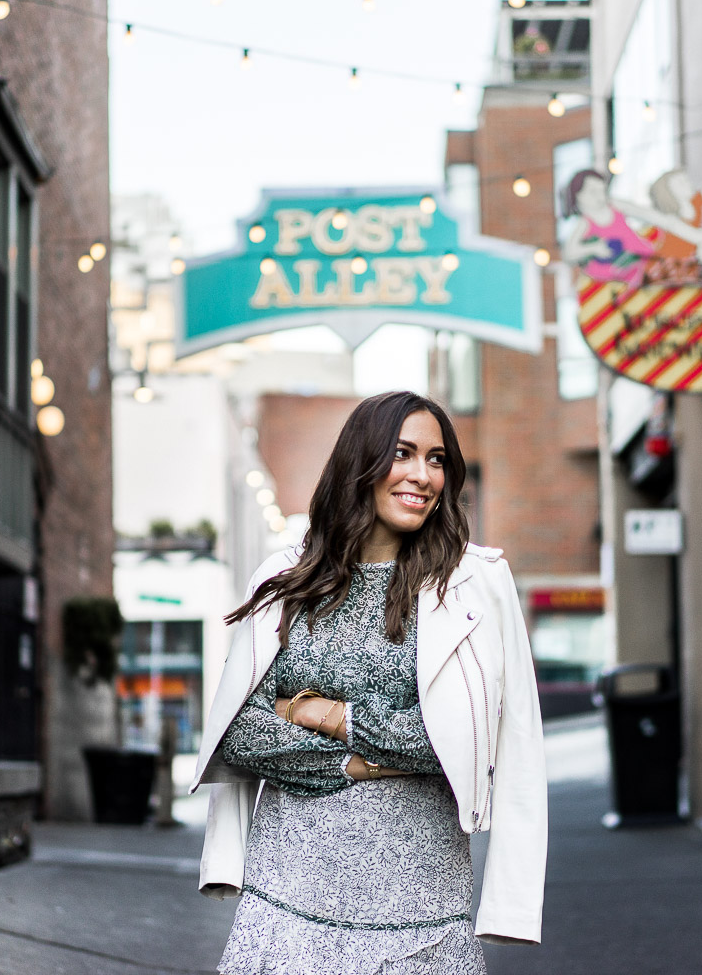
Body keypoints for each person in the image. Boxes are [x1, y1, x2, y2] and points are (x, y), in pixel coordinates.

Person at [189, 390, 547, 974]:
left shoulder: (477, 583)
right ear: (362, 462)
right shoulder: (287, 578)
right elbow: (238, 735)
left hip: (423, 918)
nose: (422, 475)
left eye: (436, 459)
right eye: (402, 453)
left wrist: (321, 714)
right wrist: (364, 761)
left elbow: (472, 739)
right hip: (284, 906)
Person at [559, 168, 655, 287]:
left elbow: (647, 214)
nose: (599, 196)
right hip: (616, 279)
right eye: (593, 191)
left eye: (602, 190)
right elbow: (569, 252)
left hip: (644, 264)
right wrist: (594, 248)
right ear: (578, 195)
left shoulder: (615, 207)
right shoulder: (585, 223)